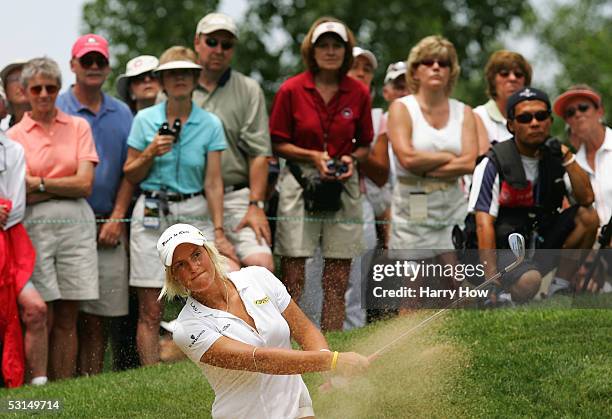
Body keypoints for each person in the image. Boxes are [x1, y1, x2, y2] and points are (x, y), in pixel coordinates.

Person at [157, 223, 370, 419]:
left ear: (209, 253)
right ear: (174, 276)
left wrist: (328, 369)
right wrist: (332, 361)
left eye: (196, 255)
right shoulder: (187, 329)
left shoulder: (258, 277)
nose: (193, 267)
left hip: (297, 406)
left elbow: (304, 330)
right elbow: (259, 360)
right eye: (181, 265)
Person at [123, 46, 230, 365]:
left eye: (186, 72)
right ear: (162, 81)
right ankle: (151, 374)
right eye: (172, 73)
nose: (180, 78)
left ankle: (211, 365)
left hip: (194, 208)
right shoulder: (144, 119)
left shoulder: (210, 123)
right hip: (153, 209)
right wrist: (150, 152)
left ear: (196, 78)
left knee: (207, 294)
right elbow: (130, 172)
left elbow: (213, 182)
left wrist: (220, 231)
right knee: (150, 305)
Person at [269, 17, 373, 331]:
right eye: (323, 45)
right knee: (294, 272)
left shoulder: (358, 92)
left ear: (346, 50)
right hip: (301, 181)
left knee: (338, 275)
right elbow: (277, 141)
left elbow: (365, 144)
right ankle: (291, 343)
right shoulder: (292, 89)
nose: (330, 51)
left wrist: (351, 158)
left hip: (343, 183)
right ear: (311, 51)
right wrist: (313, 156)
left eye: (336, 46)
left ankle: (333, 348)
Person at [8, 57, 99, 381]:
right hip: (34, 225)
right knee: (40, 310)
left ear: (59, 89)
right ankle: (40, 383)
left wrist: (42, 183)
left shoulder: (78, 126)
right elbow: (21, 194)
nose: (44, 94)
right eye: (37, 88)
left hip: (76, 223)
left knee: (69, 312)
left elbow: (85, 184)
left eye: (50, 87)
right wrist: (64, 185)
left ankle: (65, 384)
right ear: (25, 91)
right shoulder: (15, 136)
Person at [467, 87, 599, 301]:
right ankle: (499, 293)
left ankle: (559, 287)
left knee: (588, 216)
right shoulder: (493, 162)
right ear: (511, 125)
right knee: (530, 282)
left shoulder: (557, 157)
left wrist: (567, 157)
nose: (534, 123)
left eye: (541, 116)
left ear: (549, 121)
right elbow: (483, 224)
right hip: (501, 248)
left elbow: (587, 199)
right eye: (525, 118)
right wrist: (490, 282)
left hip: (536, 240)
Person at [56, 34, 135, 376]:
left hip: (107, 221)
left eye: (98, 61)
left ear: (107, 67)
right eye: (85, 61)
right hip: (65, 223)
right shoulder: (56, 107)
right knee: (64, 313)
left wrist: (118, 217)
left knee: (99, 317)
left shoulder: (123, 113)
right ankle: (60, 386)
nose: (92, 67)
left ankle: (91, 383)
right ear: (72, 65)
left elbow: (129, 174)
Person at [193, 12, 273, 272]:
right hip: (196, 198)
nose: (219, 49)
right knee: (226, 272)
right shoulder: (179, 86)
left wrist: (256, 205)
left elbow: (259, 152)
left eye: (226, 45)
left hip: (239, 196)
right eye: (212, 42)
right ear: (197, 42)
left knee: (262, 267)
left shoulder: (249, 88)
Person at [387, 35, 478, 251]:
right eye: (428, 62)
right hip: (412, 204)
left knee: (454, 279)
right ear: (415, 70)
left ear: (451, 71)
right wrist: (448, 157)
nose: (436, 67)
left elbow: (470, 163)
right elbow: (407, 158)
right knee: (415, 280)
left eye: (443, 63)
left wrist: (425, 169)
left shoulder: (464, 111)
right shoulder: (401, 108)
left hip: (454, 203)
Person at [0, 129, 37, 388]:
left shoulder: (13, 150)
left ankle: (39, 385)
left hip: (9, 244)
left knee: (36, 308)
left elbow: (16, 207)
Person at [474, 50, 532, 154]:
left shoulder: (536, 118)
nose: (512, 78)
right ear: (492, 80)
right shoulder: (478, 116)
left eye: (518, 74)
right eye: (504, 74)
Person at [0, 60, 30, 130]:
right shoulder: (5, 136)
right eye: (14, 79)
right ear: (5, 91)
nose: (21, 85)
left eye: (26, 79)